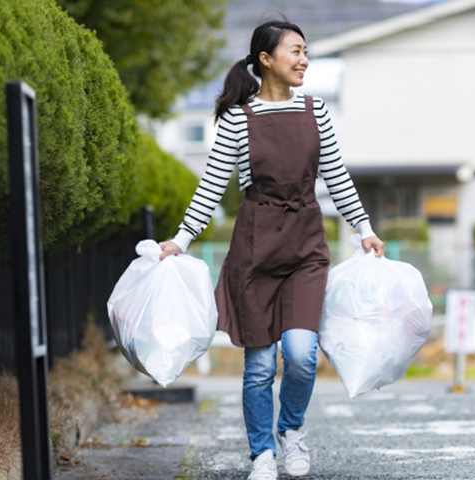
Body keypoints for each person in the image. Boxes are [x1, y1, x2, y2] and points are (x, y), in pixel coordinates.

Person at [159, 20, 384, 480]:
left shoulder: (315, 109)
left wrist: (363, 227)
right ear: (266, 59)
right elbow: (211, 185)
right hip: (255, 249)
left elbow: (336, 177)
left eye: (306, 52)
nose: (303, 60)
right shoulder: (238, 119)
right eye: (294, 51)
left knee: (301, 354)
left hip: (305, 244)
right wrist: (181, 240)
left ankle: (292, 433)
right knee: (260, 366)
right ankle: (262, 454)